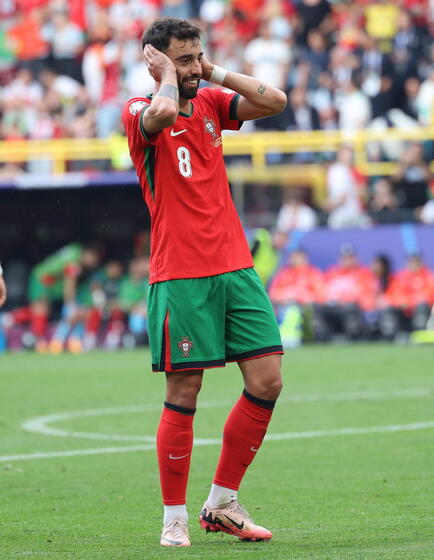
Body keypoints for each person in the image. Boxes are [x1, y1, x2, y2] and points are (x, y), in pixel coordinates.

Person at [121, 17, 287, 546]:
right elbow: (164, 110)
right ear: (156, 61)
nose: (194, 68)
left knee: (267, 381)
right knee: (185, 391)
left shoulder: (213, 103)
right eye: (183, 59)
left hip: (236, 269)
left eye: (198, 57)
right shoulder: (138, 112)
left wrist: (210, 69)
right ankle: (174, 516)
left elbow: (275, 101)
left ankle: (222, 503)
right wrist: (169, 75)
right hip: (182, 275)